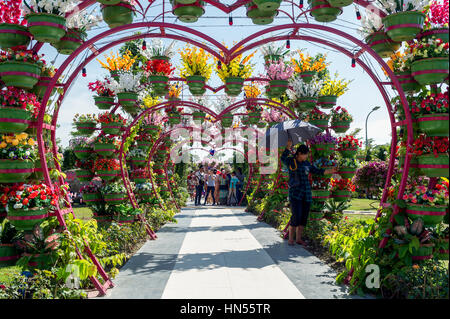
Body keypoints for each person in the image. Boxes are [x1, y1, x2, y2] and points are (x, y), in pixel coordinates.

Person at [281, 140, 337, 246]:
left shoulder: (306, 163)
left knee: (303, 217)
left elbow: (317, 171)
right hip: (295, 194)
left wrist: (330, 171)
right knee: (296, 216)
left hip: (306, 194)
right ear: (299, 154)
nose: (306, 156)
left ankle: (298, 239)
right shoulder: (291, 161)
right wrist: (288, 148)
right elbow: (283, 159)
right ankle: (290, 239)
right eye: (305, 154)